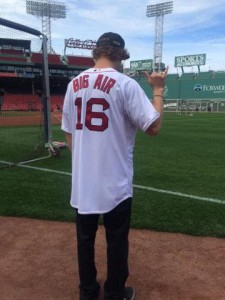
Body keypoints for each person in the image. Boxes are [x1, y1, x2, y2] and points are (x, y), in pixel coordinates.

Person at [61, 32, 168, 300]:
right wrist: (157, 90)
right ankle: (114, 293)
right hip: (115, 182)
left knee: (85, 240)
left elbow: (68, 132)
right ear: (121, 55)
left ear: (97, 52)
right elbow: (153, 127)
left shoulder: (74, 84)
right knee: (116, 240)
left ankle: (88, 292)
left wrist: (84, 160)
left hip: (83, 182)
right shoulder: (125, 84)